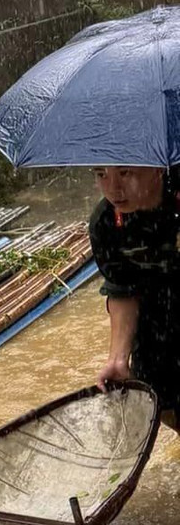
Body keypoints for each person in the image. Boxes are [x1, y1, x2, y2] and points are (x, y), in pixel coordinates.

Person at [88, 165, 180, 424]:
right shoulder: (105, 223)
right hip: (155, 329)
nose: (114, 188)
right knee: (162, 406)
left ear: (157, 169)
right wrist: (118, 358)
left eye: (125, 173)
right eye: (101, 174)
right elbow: (122, 289)